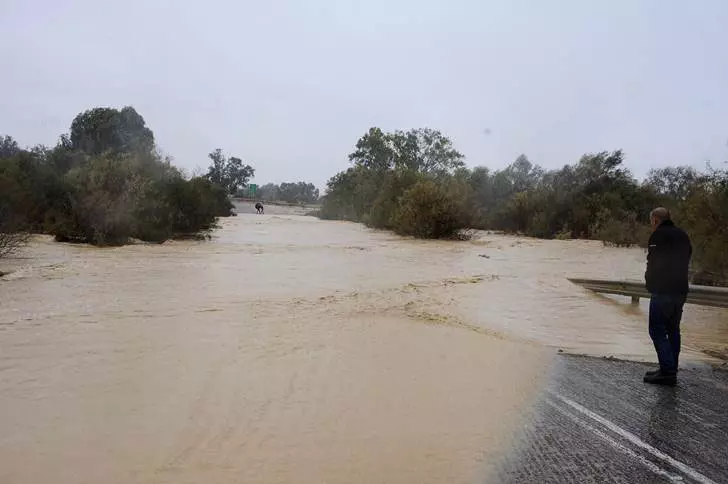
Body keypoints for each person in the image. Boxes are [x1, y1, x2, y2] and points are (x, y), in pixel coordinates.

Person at [643, 207, 692, 386]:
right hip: (680, 290)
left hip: (663, 291)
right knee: (673, 329)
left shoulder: (658, 236)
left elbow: (654, 262)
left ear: (655, 219)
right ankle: (670, 367)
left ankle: (668, 372)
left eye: (651, 221)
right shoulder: (682, 235)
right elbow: (687, 258)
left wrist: (650, 282)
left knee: (656, 330)